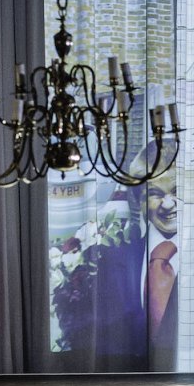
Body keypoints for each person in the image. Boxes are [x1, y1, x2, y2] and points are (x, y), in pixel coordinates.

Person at [51, 138, 179, 371]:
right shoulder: (110, 261)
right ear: (139, 201)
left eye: (177, 191)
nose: (168, 204)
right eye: (156, 193)